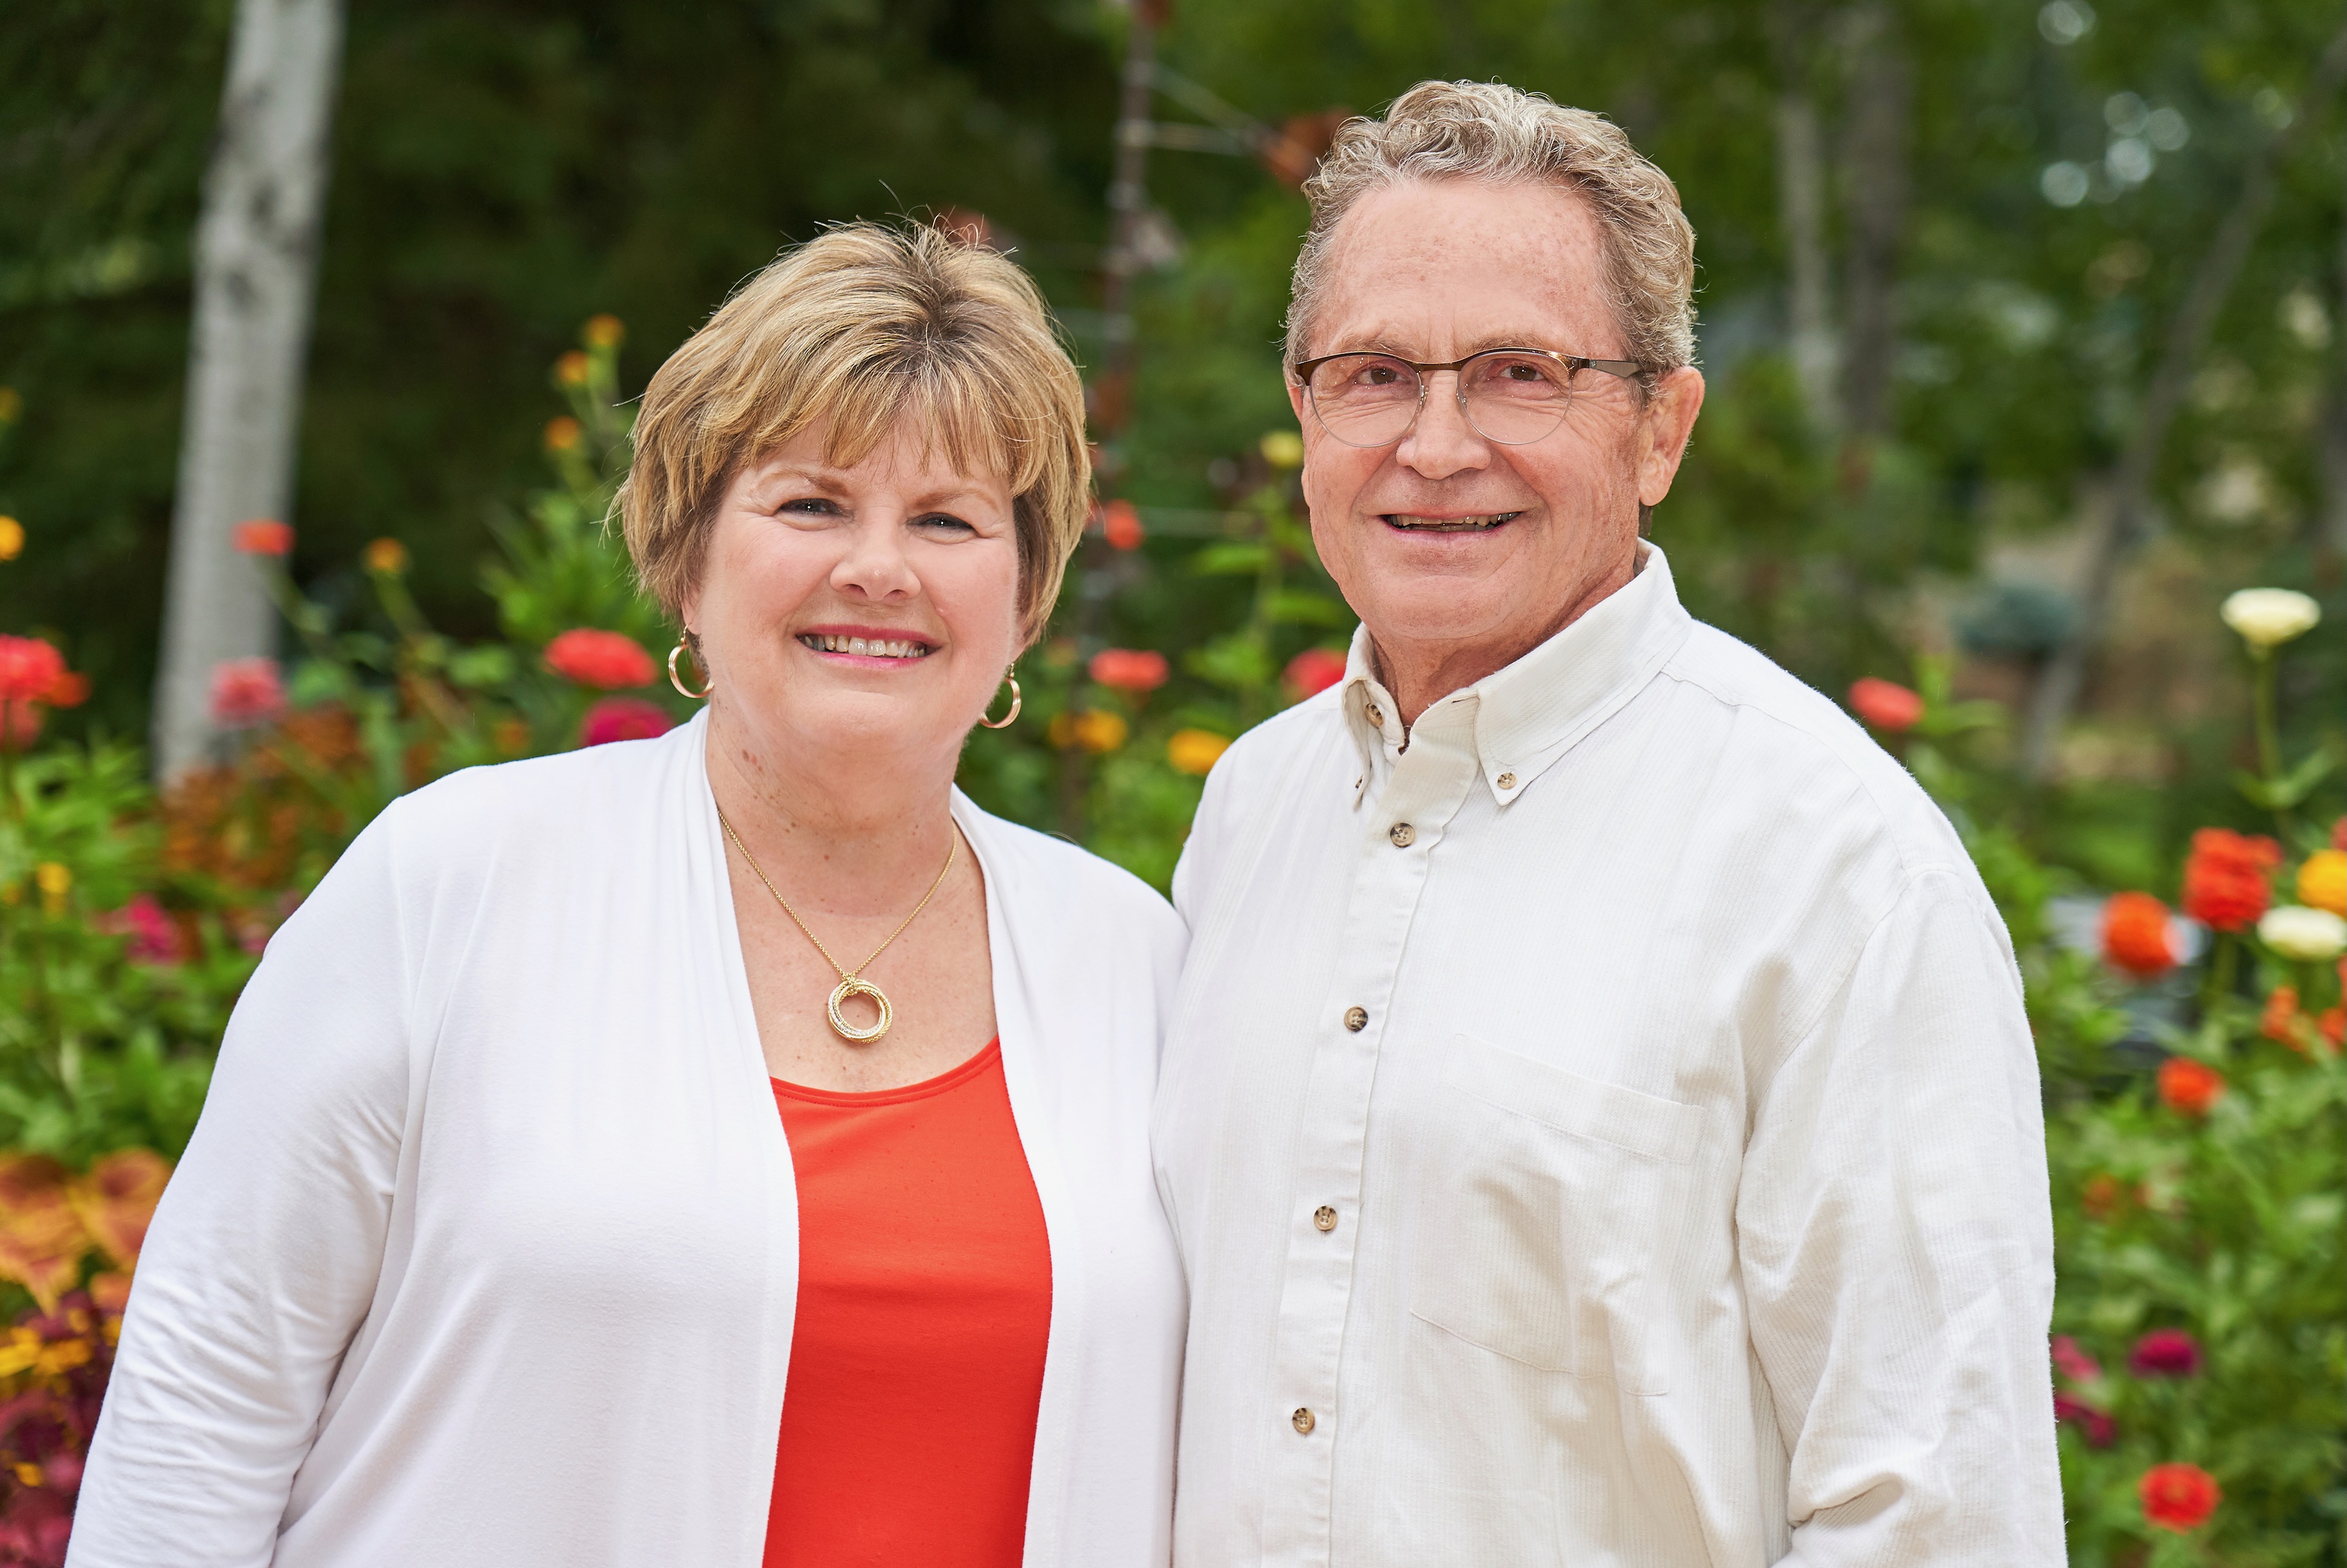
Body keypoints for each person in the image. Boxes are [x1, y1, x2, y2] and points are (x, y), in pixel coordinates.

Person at [70, 223, 1186, 1568]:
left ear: (1023, 599)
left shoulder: (1130, 958)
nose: (879, 567)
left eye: (946, 520)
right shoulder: (453, 883)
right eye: (811, 503)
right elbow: (207, 1385)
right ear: (687, 560)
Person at [1153, 80, 2062, 1564]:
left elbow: (1931, 1507)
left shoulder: (1835, 870)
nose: (1435, 445)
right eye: (1375, 373)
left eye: (1520, 372)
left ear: (1659, 429)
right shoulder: (1251, 804)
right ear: (1304, 415)